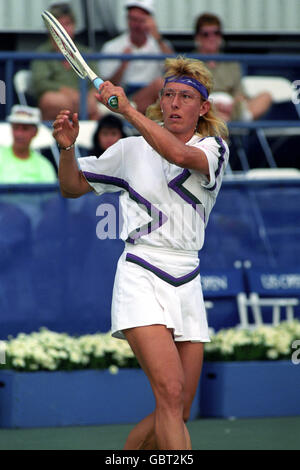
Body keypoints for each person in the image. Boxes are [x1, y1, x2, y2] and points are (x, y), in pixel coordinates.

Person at [53, 56, 229, 450]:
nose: (175, 103)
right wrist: (66, 148)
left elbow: (180, 157)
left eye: (186, 96)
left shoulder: (214, 148)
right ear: (161, 102)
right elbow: (72, 186)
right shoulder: (130, 149)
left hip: (188, 278)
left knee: (180, 407)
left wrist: (128, 109)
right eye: (169, 95)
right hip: (141, 272)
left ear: (202, 108)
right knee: (168, 393)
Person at [98, 0, 173, 114]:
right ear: (127, 20)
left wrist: (158, 38)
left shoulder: (161, 45)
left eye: (141, 20)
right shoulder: (111, 47)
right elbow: (105, 86)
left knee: (163, 86)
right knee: (160, 85)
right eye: (133, 19)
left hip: (154, 96)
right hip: (125, 95)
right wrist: (122, 65)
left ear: (149, 21)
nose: (137, 25)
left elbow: (175, 72)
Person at [194, 13, 272, 122]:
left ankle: (235, 121)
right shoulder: (190, 64)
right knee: (210, 113)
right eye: (206, 34)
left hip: (231, 107)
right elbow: (189, 96)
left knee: (265, 97)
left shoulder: (231, 63)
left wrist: (234, 103)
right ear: (198, 37)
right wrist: (213, 104)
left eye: (216, 33)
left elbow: (239, 92)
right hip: (206, 108)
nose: (212, 38)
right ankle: (229, 124)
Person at [30, 1, 100, 121]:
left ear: (74, 26)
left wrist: (86, 96)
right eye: (59, 25)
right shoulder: (42, 53)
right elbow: (40, 83)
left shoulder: (85, 52)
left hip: (84, 99)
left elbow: (96, 80)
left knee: (96, 101)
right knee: (50, 100)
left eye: (67, 24)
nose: (64, 30)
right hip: (58, 99)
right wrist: (66, 92)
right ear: (49, 28)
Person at [0, 105, 57, 183]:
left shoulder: (44, 165)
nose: (19, 134)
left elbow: (50, 194)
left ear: (35, 132)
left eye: (25, 129)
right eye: (16, 128)